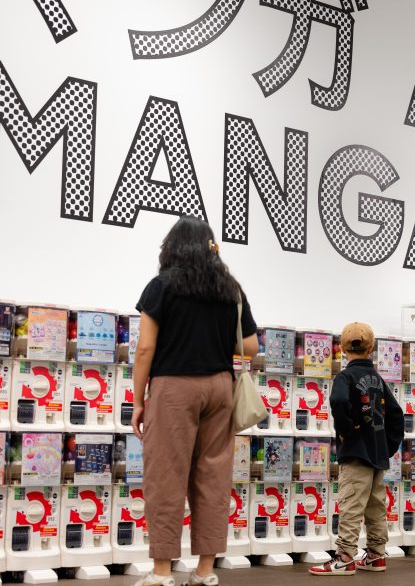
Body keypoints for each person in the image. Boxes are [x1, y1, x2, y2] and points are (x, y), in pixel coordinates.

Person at [132, 217, 259, 586]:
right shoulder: (229, 289)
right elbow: (250, 346)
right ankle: (205, 570)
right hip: (220, 387)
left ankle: (162, 572)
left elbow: (145, 349)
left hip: (174, 387)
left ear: (172, 247)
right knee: (213, 478)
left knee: (166, 476)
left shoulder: (161, 286)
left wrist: (138, 401)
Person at [309, 322, 404, 576]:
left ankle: (344, 559)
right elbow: (397, 415)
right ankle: (376, 555)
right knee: (376, 507)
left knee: (351, 505)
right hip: (377, 455)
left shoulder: (345, 377)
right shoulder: (378, 379)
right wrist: (387, 446)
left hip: (355, 453)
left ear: (342, 348)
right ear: (371, 348)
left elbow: (339, 400)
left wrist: (346, 429)